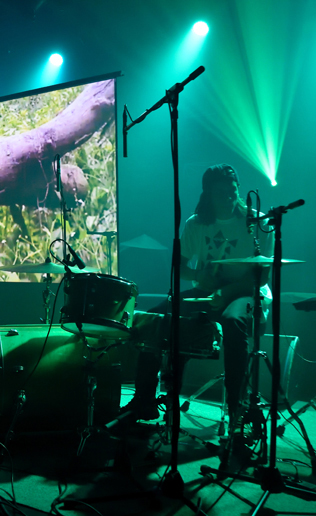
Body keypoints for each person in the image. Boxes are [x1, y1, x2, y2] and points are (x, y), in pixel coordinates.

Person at [124, 164, 274, 430]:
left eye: (233, 190)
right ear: (207, 193)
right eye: (221, 192)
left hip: (246, 293)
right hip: (208, 291)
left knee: (233, 320)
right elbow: (180, 267)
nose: (228, 196)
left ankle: (237, 406)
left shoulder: (258, 222)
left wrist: (225, 291)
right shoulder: (196, 223)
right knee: (154, 318)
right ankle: (144, 399)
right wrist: (198, 276)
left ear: (239, 189)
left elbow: (260, 277)